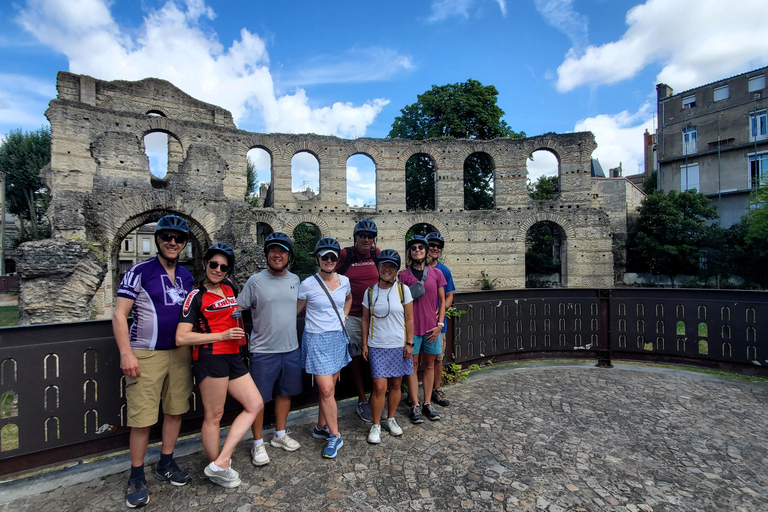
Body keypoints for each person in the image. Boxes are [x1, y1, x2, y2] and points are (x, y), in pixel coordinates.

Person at [112, 214, 195, 508]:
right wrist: (126, 353)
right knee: (143, 418)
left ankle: (166, 462)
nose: (173, 242)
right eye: (167, 237)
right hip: (146, 353)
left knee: (174, 411)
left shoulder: (187, 276)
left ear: (184, 243)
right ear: (158, 240)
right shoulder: (139, 271)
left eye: (179, 238)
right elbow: (120, 314)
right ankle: (136, 475)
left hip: (180, 353)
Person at [176, 244, 264, 488]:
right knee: (214, 416)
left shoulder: (229, 288)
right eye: (213, 264)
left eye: (223, 267)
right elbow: (181, 337)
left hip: (233, 355)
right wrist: (221, 336)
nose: (217, 269)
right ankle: (217, 464)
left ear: (228, 271)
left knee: (254, 403)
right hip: (210, 356)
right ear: (205, 264)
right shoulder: (196, 296)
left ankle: (221, 461)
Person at [238, 232, 302, 467]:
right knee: (258, 400)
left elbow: (301, 303)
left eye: (282, 251)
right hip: (263, 350)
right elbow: (238, 308)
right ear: (267, 254)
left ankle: (279, 434)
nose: (277, 254)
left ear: (288, 256)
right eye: (273, 250)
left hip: (291, 348)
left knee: (285, 393)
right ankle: (257, 443)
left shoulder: (296, 279)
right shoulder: (255, 281)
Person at [297, 238, 352, 458]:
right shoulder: (308, 284)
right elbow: (296, 310)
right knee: (327, 389)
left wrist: (345, 315)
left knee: (328, 388)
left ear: (337, 259)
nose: (329, 260)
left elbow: (348, 299)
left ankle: (321, 427)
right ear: (318, 258)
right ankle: (335, 435)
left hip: (337, 338)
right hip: (316, 339)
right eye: (325, 256)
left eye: (333, 257)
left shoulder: (345, 281)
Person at [361, 249, 414, 444]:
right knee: (378, 387)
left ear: (396, 270)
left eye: (391, 266)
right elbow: (365, 320)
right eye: (384, 265)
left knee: (396, 384)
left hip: (398, 345)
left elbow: (409, 318)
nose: (387, 269)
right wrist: (364, 343)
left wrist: (409, 343)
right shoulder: (370, 292)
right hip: (377, 345)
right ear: (378, 267)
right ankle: (376, 424)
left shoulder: (403, 290)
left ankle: (391, 418)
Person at [334, 219, 382, 423]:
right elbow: (329, 275)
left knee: (376, 356)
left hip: (374, 316)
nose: (366, 239)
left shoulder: (376, 254)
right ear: (355, 237)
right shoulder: (346, 255)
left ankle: (375, 397)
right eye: (362, 235)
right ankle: (362, 399)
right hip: (352, 315)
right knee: (355, 358)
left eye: (370, 236)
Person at [398, 235, 446, 423]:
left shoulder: (436, 274)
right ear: (409, 252)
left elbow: (442, 301)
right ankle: (415, 404)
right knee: (412, 366)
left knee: (429, 365)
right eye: (413, 248)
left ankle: (427, 402)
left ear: (426, 251)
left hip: (431, 329)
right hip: (412, 330)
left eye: (420, 247)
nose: (417, 250)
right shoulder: (404, 276)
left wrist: (439, 325)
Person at [425, 232, 455, 408]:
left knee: (437, 358)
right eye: (432, 245)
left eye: (438, 246)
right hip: (420, 321)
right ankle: (414, 394)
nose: (435, 248)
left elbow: (450, 296)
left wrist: (441, 311)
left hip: (437, 324)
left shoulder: (444, 270)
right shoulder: (417, 267)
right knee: (415, 360)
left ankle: (436, 389)